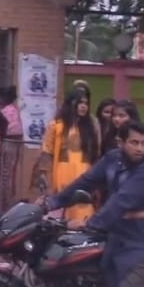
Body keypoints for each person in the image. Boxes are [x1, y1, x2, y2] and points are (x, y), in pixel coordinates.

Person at [40, 121, 144, 287]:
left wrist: (89, 223)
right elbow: (85, 182)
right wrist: (52, 202)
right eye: (134, 143)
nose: (140, 149)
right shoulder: (112, 159)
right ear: (120, 142)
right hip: (119, 237)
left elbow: (122, 201)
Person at [34, 89, 101, 222]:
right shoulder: (56, 125)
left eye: (86, 103)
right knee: (63, 207)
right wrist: (45, 177)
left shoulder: (91, 126)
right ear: (70, 103)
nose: (83, 106)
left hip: (84, 172)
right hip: (62, 173)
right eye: (80, 103)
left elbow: (95, 154)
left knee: (83, 207)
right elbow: (47, 152)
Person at [0, 85, 23, 214]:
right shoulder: (13, 110)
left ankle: (4, 207)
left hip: (8, 143)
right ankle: (5, 205)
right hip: (13, 143)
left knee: (5, 176)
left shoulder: (6, 111)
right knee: (8, 176)